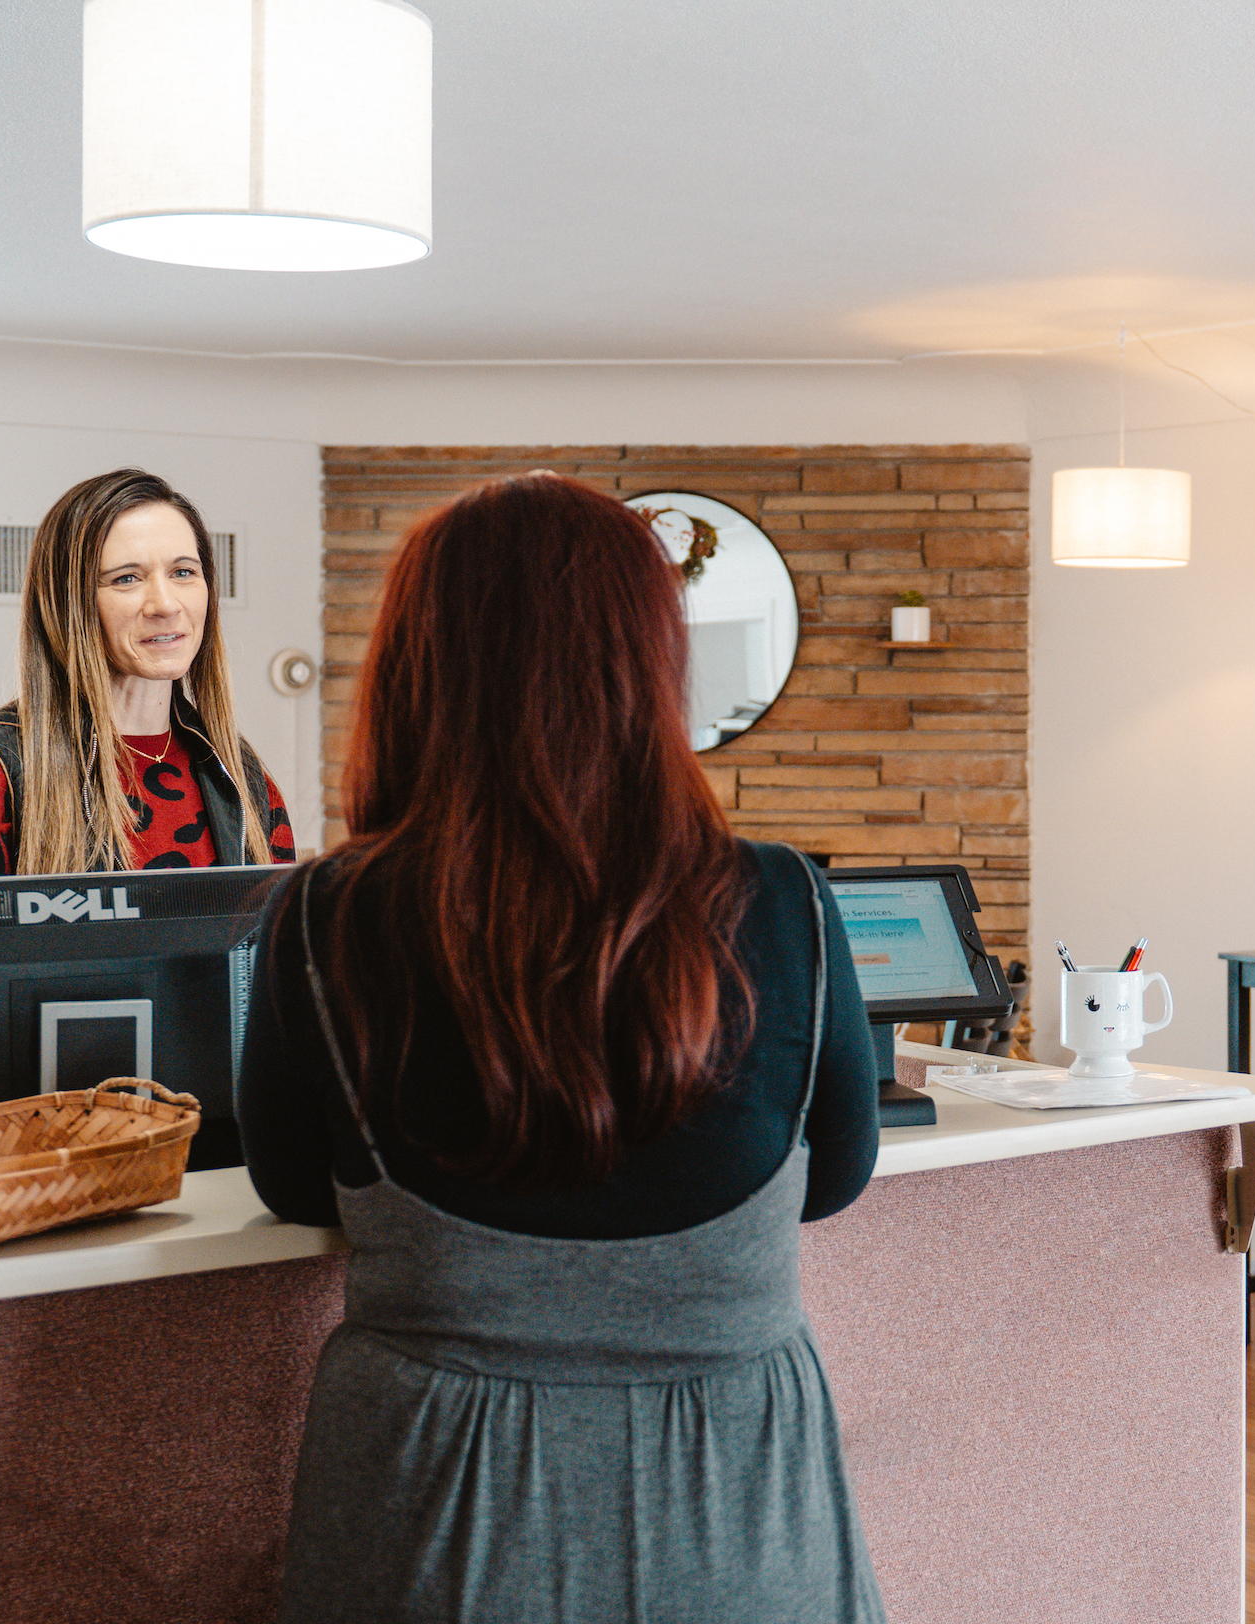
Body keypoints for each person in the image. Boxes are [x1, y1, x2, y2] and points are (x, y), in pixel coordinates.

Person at [234, 472, 885, 1623]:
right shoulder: (784, 899)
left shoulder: (326, 912)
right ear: (649, 661)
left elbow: (292, 1187)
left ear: (420, 668)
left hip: (439, 1511)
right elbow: (830, 1178)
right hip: (736, 1502)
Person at [0, 467, 296, 877]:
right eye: (126, 579)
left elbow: (281, 938)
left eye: (183, 572)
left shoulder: (239, 775)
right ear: (68, 604)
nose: (165, 604)